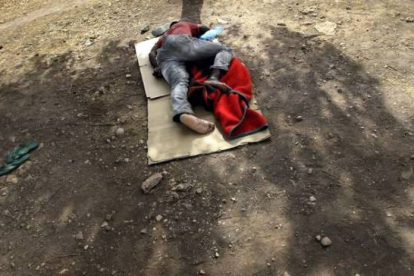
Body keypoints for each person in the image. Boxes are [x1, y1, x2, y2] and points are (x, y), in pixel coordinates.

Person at [149, 20, 234, 134]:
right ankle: (213, 78)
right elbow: (204, 29)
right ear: (176, 24)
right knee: (224, 49)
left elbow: (151, 53)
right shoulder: (184, 24)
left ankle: (182, 112)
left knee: (179, 82)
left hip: (164, 56)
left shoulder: (163, 37)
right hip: (181, 42)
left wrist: (157, 67)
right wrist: (207, 35)